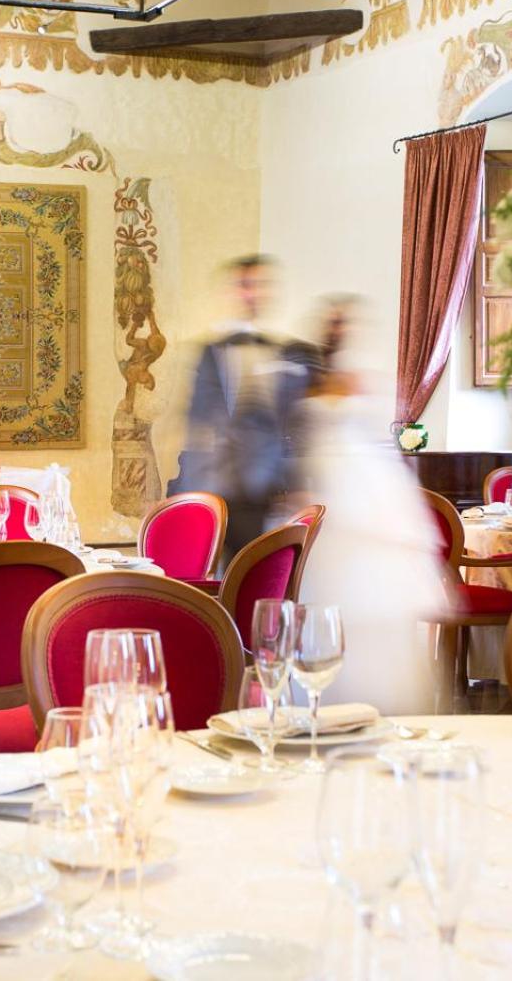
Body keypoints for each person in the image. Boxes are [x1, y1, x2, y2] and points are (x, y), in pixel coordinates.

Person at [293, 297, 451, 715]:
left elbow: (376, 430)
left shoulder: (360, 379)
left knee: (372, 597)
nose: (339, 331)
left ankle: (379, 698)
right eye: (334, 324)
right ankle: (323, 694)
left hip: (364, 484)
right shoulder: (307, 379)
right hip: (325, 483)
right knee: (324, 593)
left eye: (344, 324)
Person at [170, 255, 310, 559]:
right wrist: (194, 486)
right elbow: (197, 419)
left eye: (260, 285)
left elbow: (293, 423)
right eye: (246, 285)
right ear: (231, 291)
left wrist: (294, 483)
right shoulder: (209, 352)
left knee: (254, 569)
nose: (253, 293)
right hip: (214, 483)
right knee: (205, 569)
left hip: (263, 486)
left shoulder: (287, 353)